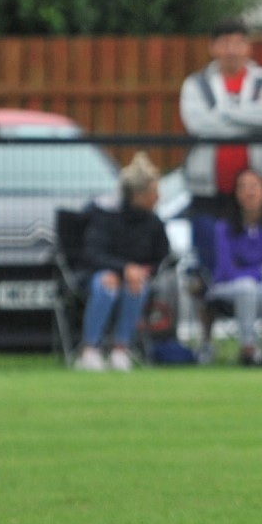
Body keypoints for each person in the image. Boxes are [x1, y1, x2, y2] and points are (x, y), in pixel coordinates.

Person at [179, 18, 262, 361]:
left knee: (258, 271)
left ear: (247, 46)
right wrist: (245, 117)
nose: (231, 49)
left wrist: (225, 114)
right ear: (213, 47)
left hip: (254, 200)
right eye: (223, 42)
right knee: (208, 273)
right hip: (209, 195)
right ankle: (207, 343)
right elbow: (198, 123)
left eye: (237, 42)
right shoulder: (196, 84)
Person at [74, 153, 170, 372]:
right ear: (138, 194)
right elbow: (93, 254)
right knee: (107, 284)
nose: (159, 197)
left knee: (137, 284)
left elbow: (162, 257)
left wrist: (143, 271)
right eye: (154, 192)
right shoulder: (106, 215)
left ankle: (120, 349)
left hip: (134, 279)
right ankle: (89, 349)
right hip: (98, 273)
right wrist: (123, 269)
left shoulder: (153, 222)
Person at [210, 169, 262, 366]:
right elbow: (225, 271)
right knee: (247, 286)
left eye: (254, 187)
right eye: (243, 187)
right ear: (236, 194)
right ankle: (247, 350)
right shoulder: (224, 228)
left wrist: (248, 270)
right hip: (229, 290)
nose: (249, 193)